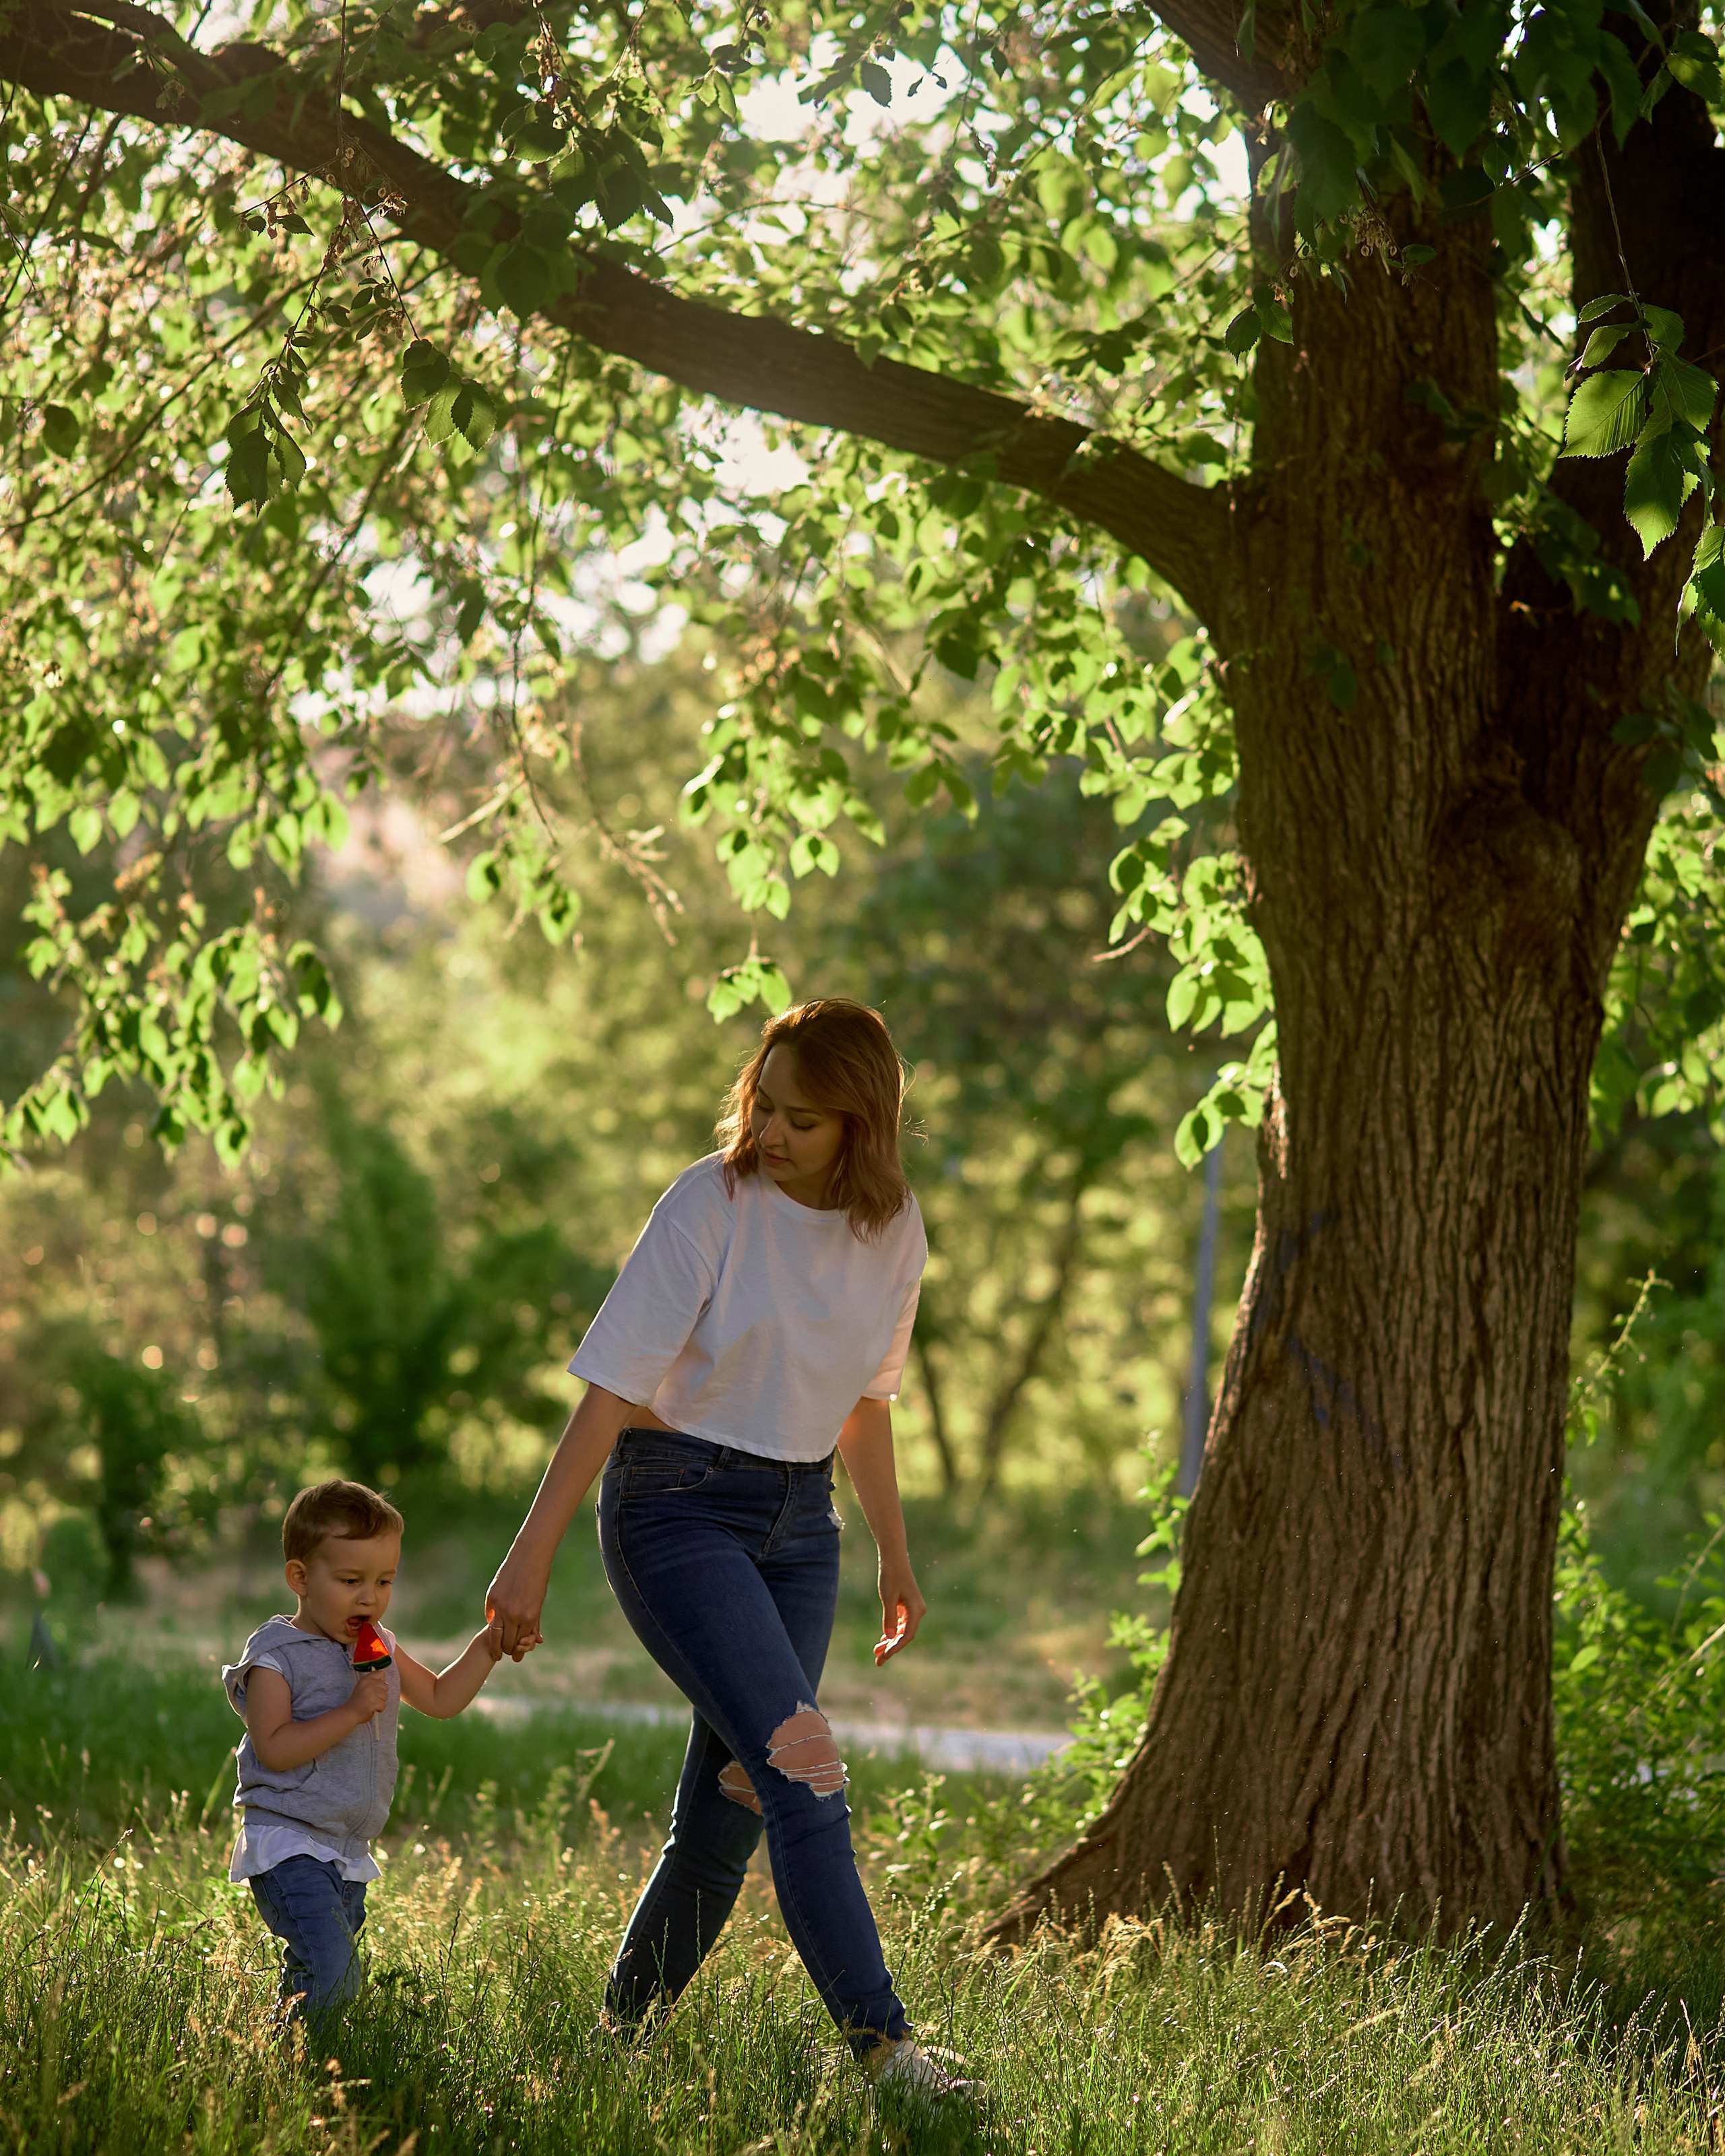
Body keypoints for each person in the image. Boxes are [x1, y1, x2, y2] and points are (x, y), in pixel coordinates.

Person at [485, 998, 974, 2101]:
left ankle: (613, 2049)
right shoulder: (710, 1202)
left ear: (863, 1124)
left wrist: (897, 1556)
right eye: (764, 1106)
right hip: (676, 1510)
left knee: (730, 1811)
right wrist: (530, 1555)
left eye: (803, 1119)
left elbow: (868, 1405)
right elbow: (610, 1391)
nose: (771, 1133)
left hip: (804, 1529)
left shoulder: (892, 1231)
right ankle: (887, 2054)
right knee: (805, 1772)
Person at [222, 1478, 504, 2022]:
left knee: (316, 1977)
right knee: (337, 1976)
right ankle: (301, 2073)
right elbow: (274, 1749)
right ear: (300, 1578)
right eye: (350, 1580)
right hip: (288, 1842)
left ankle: (282, 2065)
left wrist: (488, 1646)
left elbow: (442, 1698)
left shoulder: (378, 1644)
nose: (369, 1597)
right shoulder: (276, 1657)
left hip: (346, 1851)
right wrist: (351, 1711)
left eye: (384, 1581)